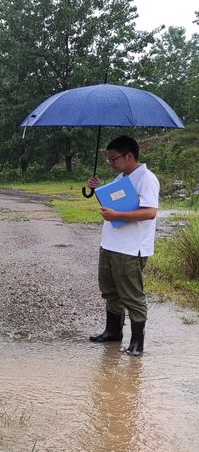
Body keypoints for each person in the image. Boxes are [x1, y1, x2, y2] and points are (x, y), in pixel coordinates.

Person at [87, 135, 159, 356]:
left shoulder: (146, 179)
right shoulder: (122, 177)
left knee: (132, 295)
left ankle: (137, 342)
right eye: (108, 159)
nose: (111, 163)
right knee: (110, 291)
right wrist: (97, 190)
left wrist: (117, 215)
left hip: (130, 248)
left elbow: (150, 212)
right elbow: (114, 204)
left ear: (129, 156)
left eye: (113, 159)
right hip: (111, 244)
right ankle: (113, 332)